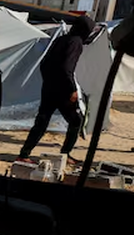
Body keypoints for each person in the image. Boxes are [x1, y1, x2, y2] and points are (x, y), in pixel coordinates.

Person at [17, 15, 94, 162]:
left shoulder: (62, 39)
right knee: (76, 121)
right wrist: (71, 88)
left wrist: (49, 82)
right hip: (63, 90)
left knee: (41, 122)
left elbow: (44, 64)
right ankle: (65, 154)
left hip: (49, 88)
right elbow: (67, 68)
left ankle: (24, 154)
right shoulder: (75, 42)